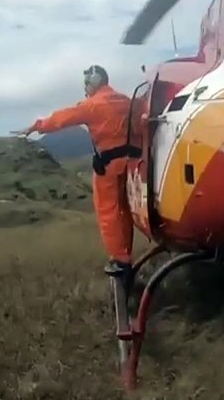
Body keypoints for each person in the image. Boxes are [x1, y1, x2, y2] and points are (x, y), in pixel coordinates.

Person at [13, 65, 137, 279]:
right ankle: (127, 253)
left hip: (109, 167)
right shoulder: (126, 100)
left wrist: (37, 126)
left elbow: (62, 118)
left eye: (87, 84)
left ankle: (121, 260)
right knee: (127, 210)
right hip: (134, 163)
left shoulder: (92, 105)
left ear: (95, 82)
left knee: (109, 212)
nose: (85, 88)